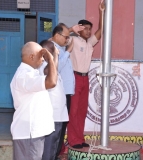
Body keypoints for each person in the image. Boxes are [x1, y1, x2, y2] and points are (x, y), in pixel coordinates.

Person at [67, 1, 105, 149]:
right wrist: (72, 29)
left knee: (82, 111)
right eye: (86, 29)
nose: (89, 32)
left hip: (85, 78)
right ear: (79, 29)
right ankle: (73, 140)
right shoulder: (73, 40)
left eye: (90, 29)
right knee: (74, 111)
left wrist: (101, 12)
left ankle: (80, 138)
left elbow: (101, 30)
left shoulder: (89, 43)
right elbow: (59, 36)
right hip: (75, 77)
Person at [10, 42, 57, 160]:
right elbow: (51, 82)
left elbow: (47, 77)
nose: (42, 60)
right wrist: (51, 59)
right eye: (41, 56)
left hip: (31, 132)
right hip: (29, 133)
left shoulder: (30, 72)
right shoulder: (25, 76)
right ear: (31, 57)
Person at [38, 40, 69, 160]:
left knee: (54, 149)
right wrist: (54, 56)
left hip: (59, 116)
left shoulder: (50, 67)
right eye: (52, 51)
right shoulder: (43, 67)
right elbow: (50, 73)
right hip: (52, 116)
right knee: (48, 149)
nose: (56, 53)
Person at [51, 23, 75, 156]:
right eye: (66, 37)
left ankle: (56, 153)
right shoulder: (52, 48)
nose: (67, 40)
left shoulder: (60, 48)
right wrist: (68, 51)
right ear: (56, 35)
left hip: (65, 92)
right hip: (59, 93)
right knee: (58, 126)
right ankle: (53, 154)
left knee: (62, 125)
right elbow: (56, 69)